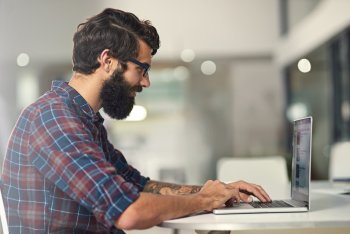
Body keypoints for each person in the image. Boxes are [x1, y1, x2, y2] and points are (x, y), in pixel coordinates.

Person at [0, 8, 271, 234]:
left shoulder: (83, 120)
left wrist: (218, 191)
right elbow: (128, 212)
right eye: (141, 69)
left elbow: (138, 185)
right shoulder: (54, 119)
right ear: (107, 60)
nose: (146, 81)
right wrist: (203, 200)